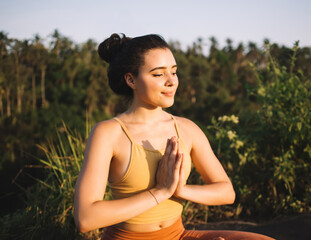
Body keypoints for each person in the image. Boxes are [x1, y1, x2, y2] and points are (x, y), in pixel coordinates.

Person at [74, 33, 274, 240]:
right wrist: (160, 191)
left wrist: (179, 190)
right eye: (158, 74)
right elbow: (86, 219)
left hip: (178, 235)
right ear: (131, 79)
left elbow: (226, 192)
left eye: (174, 72)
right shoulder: (108, 133)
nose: (171, 82)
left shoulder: (186, 128)